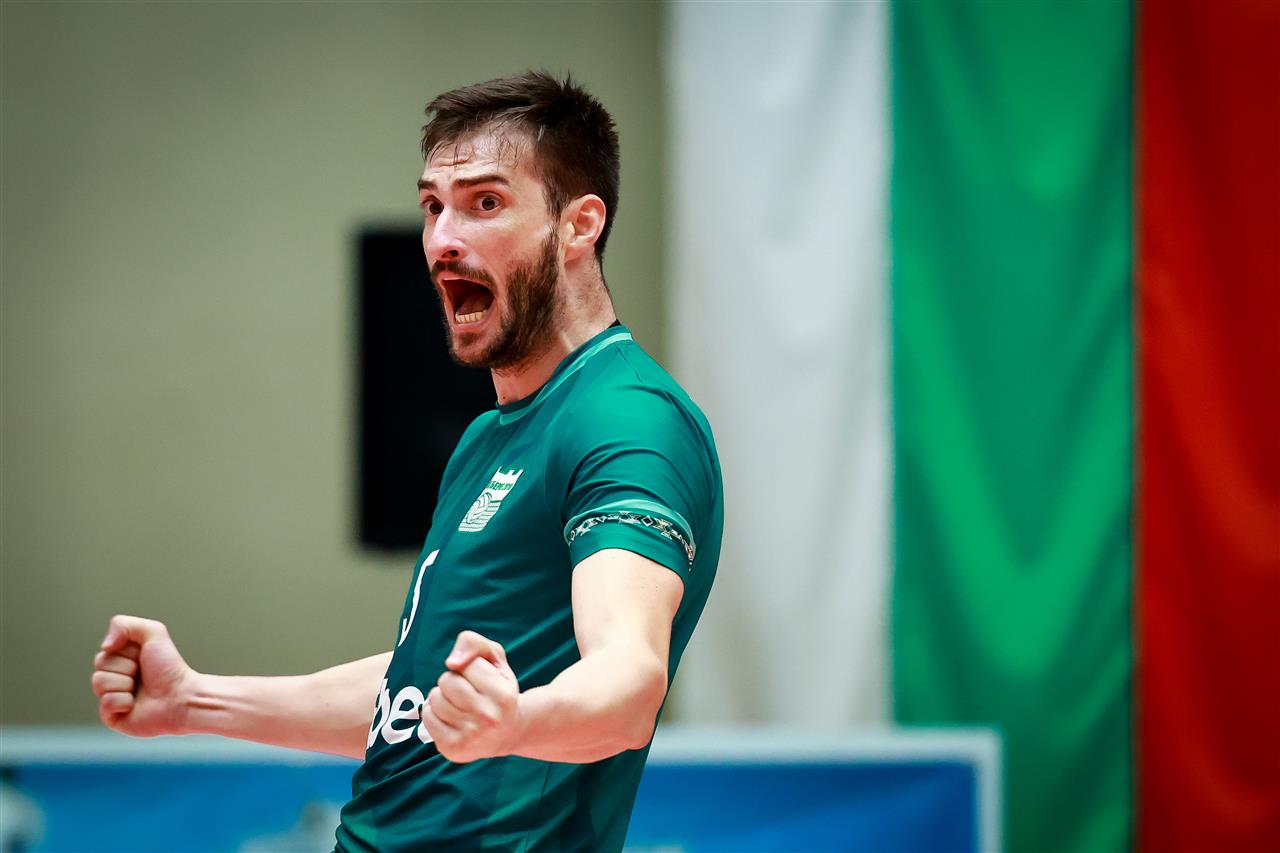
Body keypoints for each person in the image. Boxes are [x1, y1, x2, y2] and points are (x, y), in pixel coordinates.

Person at [90, 71, 723, 853]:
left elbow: (628, 680)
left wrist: (514, 722)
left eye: (484, 203)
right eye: (433, 206)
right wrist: (194, 701)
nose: (443, 239)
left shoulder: (628, 418)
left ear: (578, 225)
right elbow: (413, 695)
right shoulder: (487, 439)